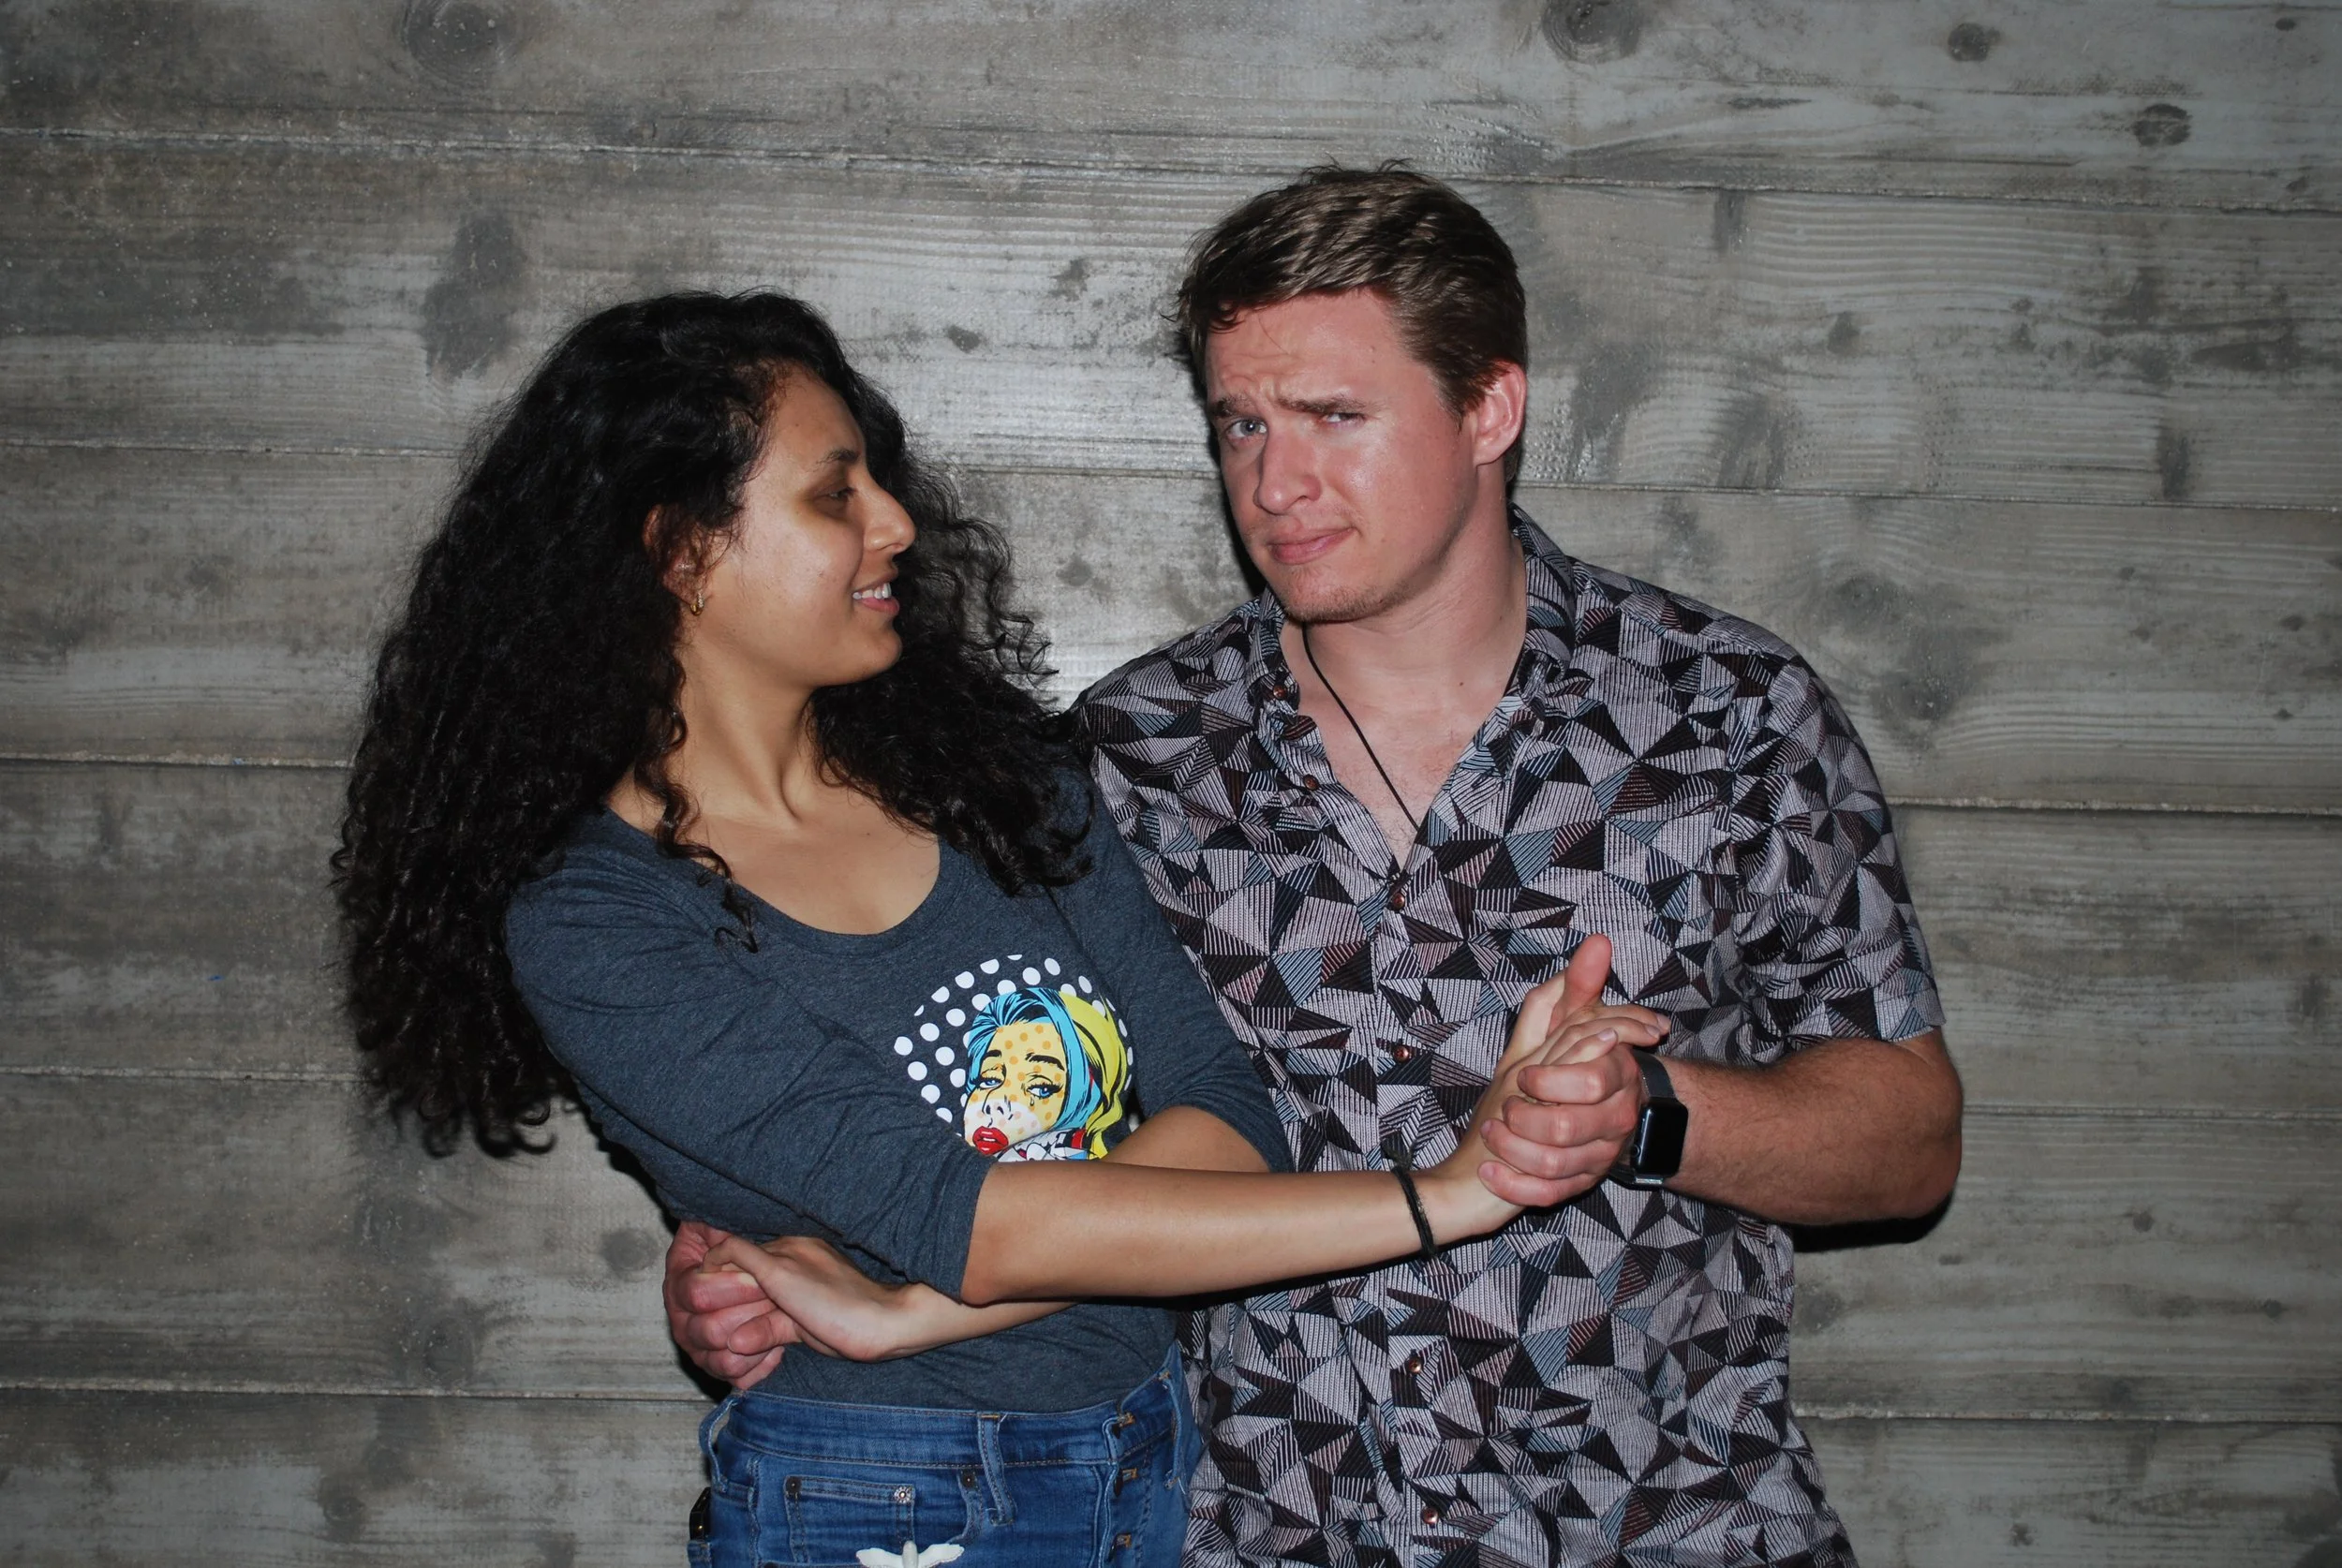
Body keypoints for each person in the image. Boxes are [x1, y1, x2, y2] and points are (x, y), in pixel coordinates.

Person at [669, 169, 1964, 1567]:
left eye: (1335, 418)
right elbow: (989, 1136)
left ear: (1490, 409)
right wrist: (772, 1270)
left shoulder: (1726, 714)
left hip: (1664, 1523)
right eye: (1241, 423)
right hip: (1259, 1531)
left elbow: (1910, 1140)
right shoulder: (1126, 757)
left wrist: (1646, 1115)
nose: (1274, 484)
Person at [331, 289, 1665, 1568]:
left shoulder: (997, 783)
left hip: (1149, 1458)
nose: (898, 523)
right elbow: (967, 1212)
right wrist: (1457, 1192)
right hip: (881, 1491)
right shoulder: (601, 920)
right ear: (681, 551)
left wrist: (915, 1303)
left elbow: (1221, 1115)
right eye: (833, 492)